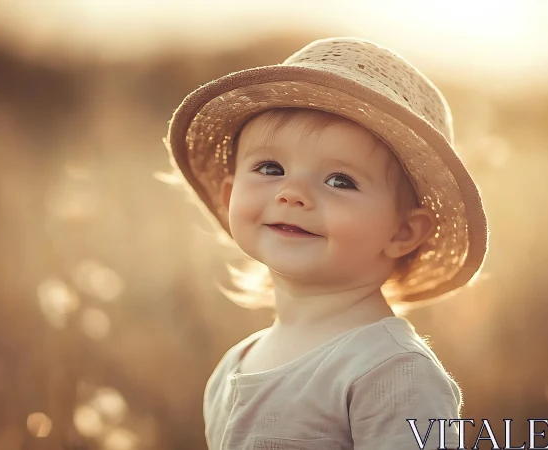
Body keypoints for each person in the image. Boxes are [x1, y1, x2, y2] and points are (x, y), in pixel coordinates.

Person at [161, 37, 489, 450]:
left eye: (340, 181)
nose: (292, 193)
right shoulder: (236, 364)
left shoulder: (390, 371)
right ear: (229, 198)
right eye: (270, 168)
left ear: (402, 232)